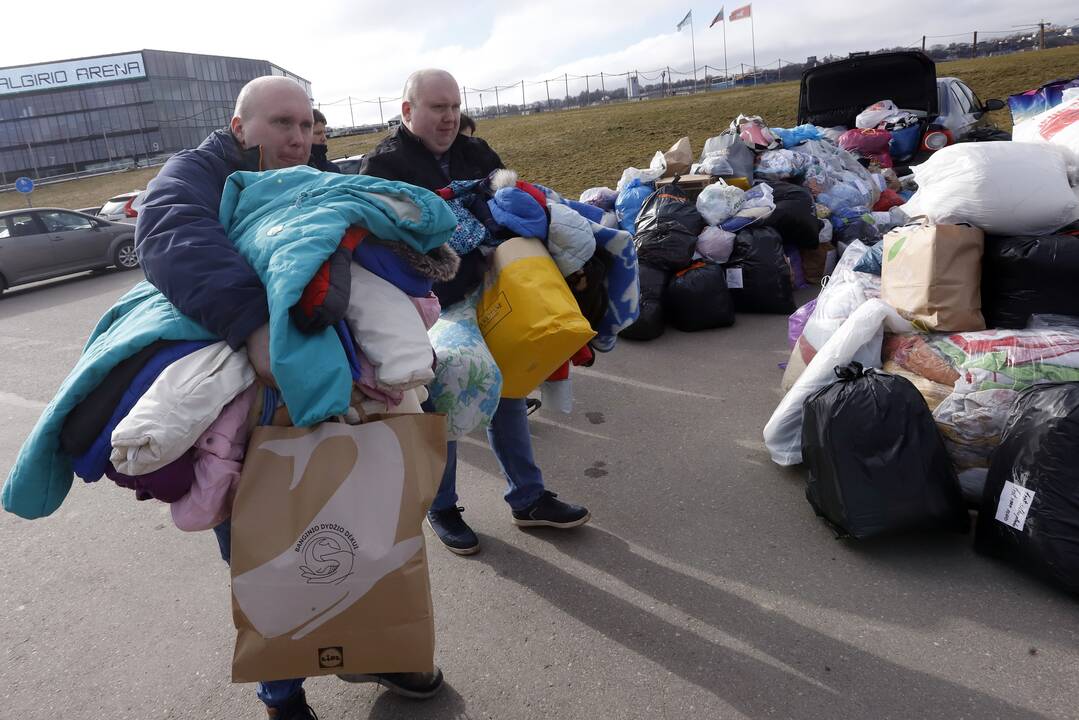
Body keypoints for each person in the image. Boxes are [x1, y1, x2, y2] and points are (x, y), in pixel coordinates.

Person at [135, 75, 442, 720]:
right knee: (260, 546)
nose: (299, 138)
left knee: (359, 519)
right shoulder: (196, 171)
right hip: (248, 402)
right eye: (283, 125)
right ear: (240, 125)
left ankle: (370, 645)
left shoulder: (310, 169)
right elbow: (170, 235)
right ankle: (283, 690)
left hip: (337, 390)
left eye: (307, 125)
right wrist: (257, 326)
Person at [360, 69, 591, 557]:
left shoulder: (477, 152)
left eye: (454, 106)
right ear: (407, 111)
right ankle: (441, 505)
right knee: (443, 397)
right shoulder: (383, 166)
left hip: (488, 288)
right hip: (426, 304)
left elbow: (506, 203)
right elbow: (379, 244)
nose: (448, 117)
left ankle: (527, 498)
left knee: (507, 386)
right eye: (436, 107)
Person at [308, 108, 341, 172]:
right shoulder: (297, 170)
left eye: (324, 133)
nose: (324, 138)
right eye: (318, 133)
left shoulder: (333, 170)